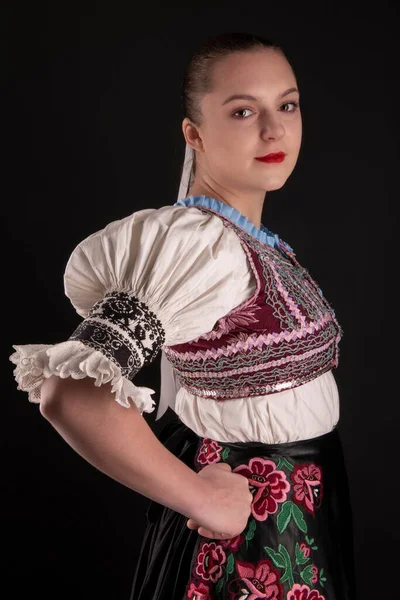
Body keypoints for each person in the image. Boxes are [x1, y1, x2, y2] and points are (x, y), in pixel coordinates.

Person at [9, 32, 356, 600]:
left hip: (303, 516)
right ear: (194, 134)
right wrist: (200, 499)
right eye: (243, 111)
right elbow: (69, 391)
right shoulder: (193, 245)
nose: (274, 130)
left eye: (286, 105)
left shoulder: (248, 241)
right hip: (246, 538)